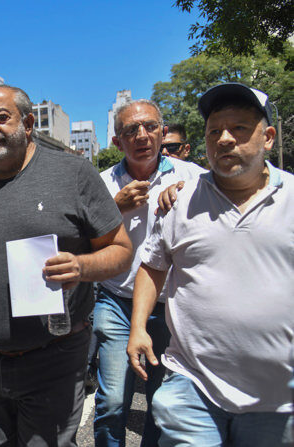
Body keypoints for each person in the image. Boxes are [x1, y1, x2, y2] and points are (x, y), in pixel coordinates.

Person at [0, 85, 133, 446]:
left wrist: (81, 266)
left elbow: (120, 249)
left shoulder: (75, 174)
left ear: (30, 123)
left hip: (53, 359)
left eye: (1, 117)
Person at [128, 83, 293, 447]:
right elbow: (153, 266)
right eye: (214, 131)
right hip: (193, 386)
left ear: (267, 137)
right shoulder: (180, 202)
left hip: (279, 399)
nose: (225, 139)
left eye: (239, 129)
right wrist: (138, 327)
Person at [94, 100, 205, 447]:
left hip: (170, 304)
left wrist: (186, 199)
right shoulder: (100, 184)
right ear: (117, 142)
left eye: (150, 127)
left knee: (162, 401)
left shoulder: (194, 178)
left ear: (162, 131)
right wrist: (114, 209)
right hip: (115, 300)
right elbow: (79, 239)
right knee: (112, 400)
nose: (142, 136)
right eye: (131, 130)